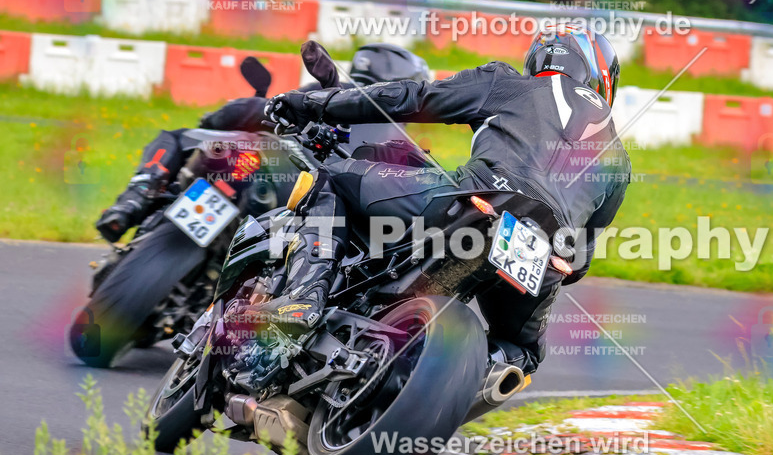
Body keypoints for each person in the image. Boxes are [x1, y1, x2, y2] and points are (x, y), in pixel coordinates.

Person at [253, 24, 631, 375]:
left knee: (332, 180)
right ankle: (452, 380)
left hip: (478, 198)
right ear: (602, 77)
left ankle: (302, 299)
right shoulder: (619, 160)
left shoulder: (507, 83)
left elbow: (411, 97)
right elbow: (578, 261)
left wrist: (314, 103)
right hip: (545, 253)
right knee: (523, 355)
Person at [94, 43, 430, 243]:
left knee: (178, 136)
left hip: (285, 195)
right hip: (294, 203)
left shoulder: (327, 96)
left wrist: (212, 121)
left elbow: (249, 109)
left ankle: (132, 201)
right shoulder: (401, 143)